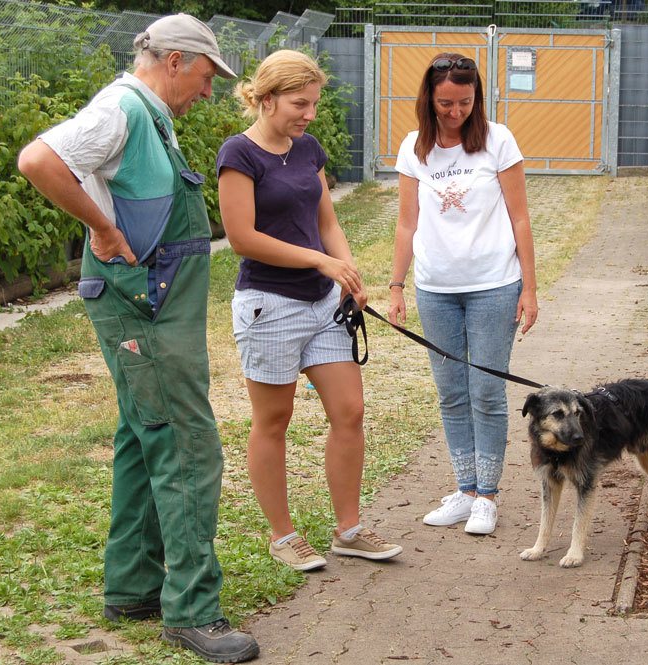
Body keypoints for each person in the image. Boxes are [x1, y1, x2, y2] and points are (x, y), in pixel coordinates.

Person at [17, 14, 259, 663]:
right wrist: (102, 227)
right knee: (186, 442)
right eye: (206, 77)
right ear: (175, 60)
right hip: (143, 300)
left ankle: (132, 584)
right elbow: (38, 159)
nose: (208, 91)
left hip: (151, 298)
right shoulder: (122, 108)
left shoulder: (148, 114)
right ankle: (193, 610)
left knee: (142, 433)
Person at [216, 49, 402, 572]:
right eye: (300, 104)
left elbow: (327, 223)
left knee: (350, 411)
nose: (310, 114)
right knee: (274, 420)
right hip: (269, 306)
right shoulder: (238, 154)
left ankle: (349, 530)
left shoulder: (308, 149)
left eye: (314, 103)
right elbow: (242, 238)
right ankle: (283, 536)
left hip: (323, 305)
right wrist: (321, 261)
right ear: (267, 98)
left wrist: (347, 273)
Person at [388, 53, 538, 535]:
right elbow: (407, 223)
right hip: (436, 290)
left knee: (487, 392)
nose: (456, 112)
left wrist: (530, 287)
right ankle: (465, 490)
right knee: (452, 393)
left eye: (465, 102)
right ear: (428, 100)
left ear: (478, 99)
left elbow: (520, 217)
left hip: (494, 286)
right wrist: (396, 286)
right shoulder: (414, 147)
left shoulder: (498, 141)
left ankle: (488, 496)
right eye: (446, 103)